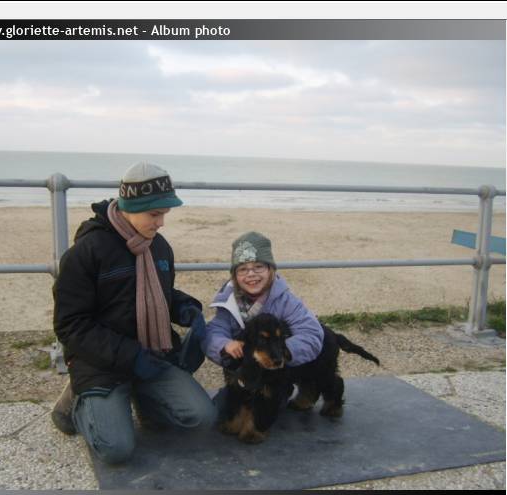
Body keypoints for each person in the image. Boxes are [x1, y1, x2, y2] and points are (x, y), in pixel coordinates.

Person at [51, 162, 217, 465]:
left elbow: (161, 294)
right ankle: (74, 401)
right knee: (116, 449)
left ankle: (143, 398)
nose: (161, 223)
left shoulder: (159, 247)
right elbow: (71, 325)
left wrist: (185, 308)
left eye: (165, 214)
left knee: (201, 417)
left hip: (153, 356)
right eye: (154, 214)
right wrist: (131, 357)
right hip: (100, 363)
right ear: (131, 207)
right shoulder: (86, 252)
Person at [202, 231, 325, 407]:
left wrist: (282, 351)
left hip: (276, 374)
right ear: (235, 275)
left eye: (258, 266)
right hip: (242, 371)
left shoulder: (286, 301)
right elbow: (214, 331)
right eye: (243, 269)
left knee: (266, 409)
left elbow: (311, 332)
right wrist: (224, 345)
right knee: (221, 411)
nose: (251, 274)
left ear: (271, 270)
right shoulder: (228, 301)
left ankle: (286, 390)